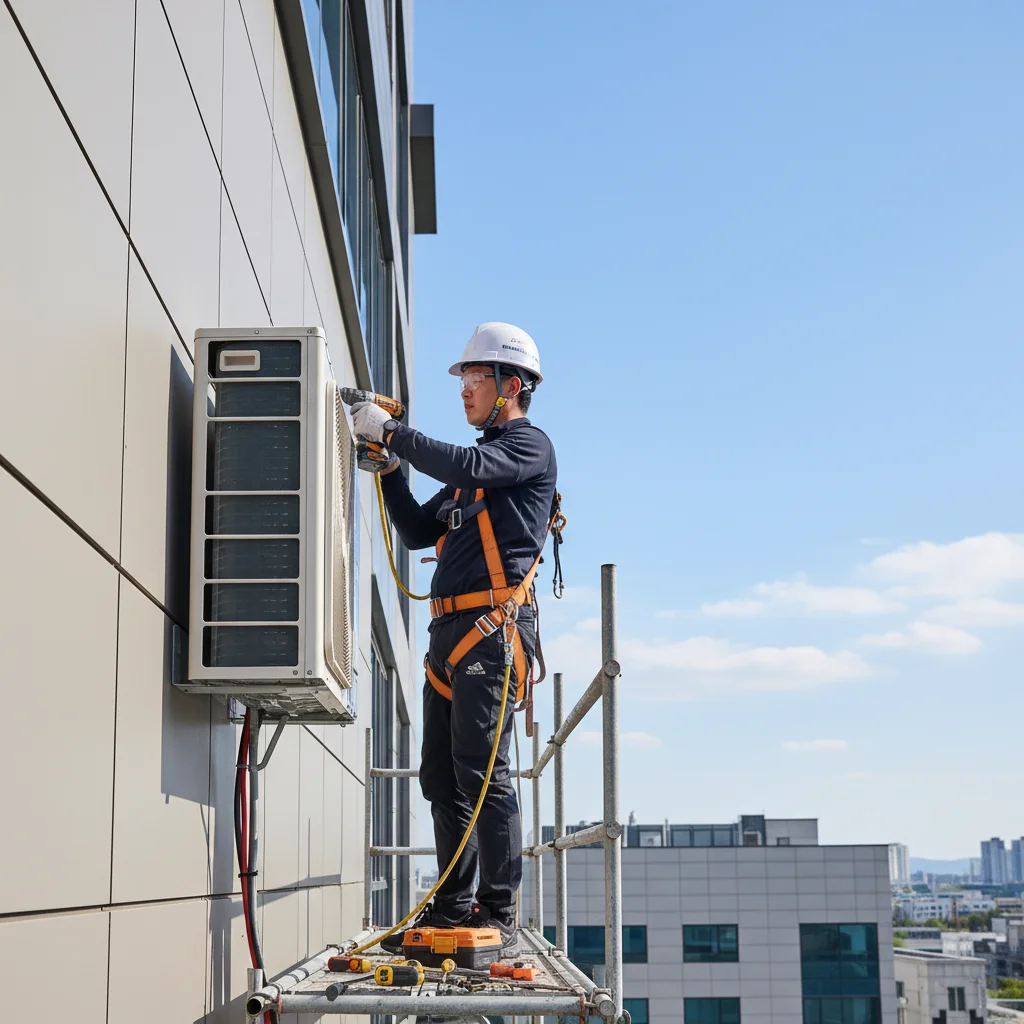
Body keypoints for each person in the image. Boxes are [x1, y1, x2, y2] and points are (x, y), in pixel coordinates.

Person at [350, 322, 557, 946]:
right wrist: (389, 468)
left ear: (510, 386)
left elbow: (466, 458)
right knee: (441, 776)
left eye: (475, 379)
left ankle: (499, 912)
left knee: (483, 773)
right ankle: (453, 905)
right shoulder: (470, 480)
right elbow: (415, 529)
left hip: (490, 633)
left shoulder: (526, 448)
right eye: (464, 380)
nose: (465, 390)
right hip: (452, 635)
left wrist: (392, 431)